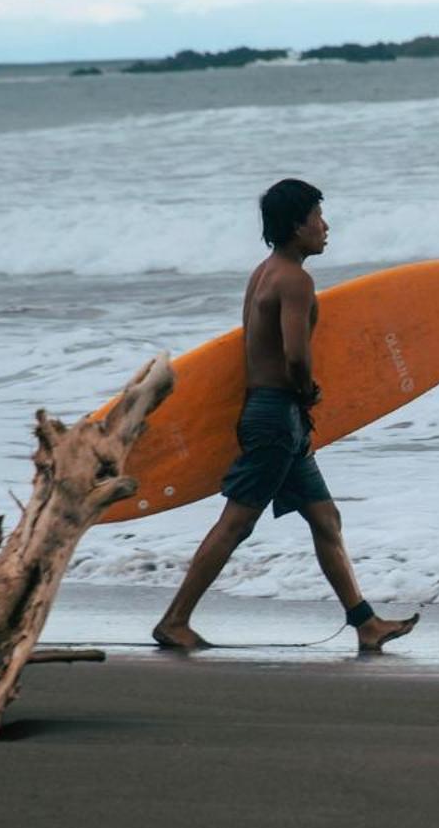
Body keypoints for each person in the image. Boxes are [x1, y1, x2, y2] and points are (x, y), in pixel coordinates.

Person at [152, 178, 418, 656]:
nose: (325, 226)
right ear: (297, 226)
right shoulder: (295, 280)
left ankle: (366, 623)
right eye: (317, 216)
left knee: (325, 518)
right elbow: (296, 355)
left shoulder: (264, 272)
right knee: (236, 523)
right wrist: (307, 389)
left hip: (277, 417)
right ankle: (174, 621)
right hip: (277, 417)